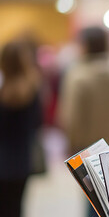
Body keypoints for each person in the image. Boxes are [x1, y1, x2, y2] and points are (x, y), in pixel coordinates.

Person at [58, 26, 109, 216]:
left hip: (87, 151)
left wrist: (71, 145)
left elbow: (72, 120)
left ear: (84, 45)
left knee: (93, 200)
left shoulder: (78, 76)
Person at [0, 40, 43, 217]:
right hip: (22, 160)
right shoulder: (32, 90)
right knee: (16, 207)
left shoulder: (2, 91)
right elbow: (38, 123)